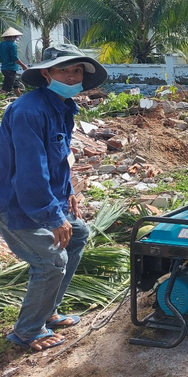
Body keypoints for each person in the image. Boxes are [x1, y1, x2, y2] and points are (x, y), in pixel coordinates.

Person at [0, 43, 107, 351]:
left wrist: (69, 192)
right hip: (15, 204)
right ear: (46, 73)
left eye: (77, 70)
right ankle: (27, 331)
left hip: (43, 196)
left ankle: (47, 311)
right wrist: (54, 216)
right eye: (65, 70)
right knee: (50, 261)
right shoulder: (28, 111)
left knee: (78, 234)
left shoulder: (61, 106)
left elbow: (57, 158)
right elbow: (31, 172)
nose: (72, 76)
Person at [1, 27, 28, 97]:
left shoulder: (2, 44)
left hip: (4, 68)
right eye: (15, 37)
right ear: (12, 37)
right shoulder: (12, 45)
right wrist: (24, 66)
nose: (16, 39)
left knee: (16, 86)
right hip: (10, 69)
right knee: (6, 89)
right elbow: (14, 58)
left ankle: (20, 99)